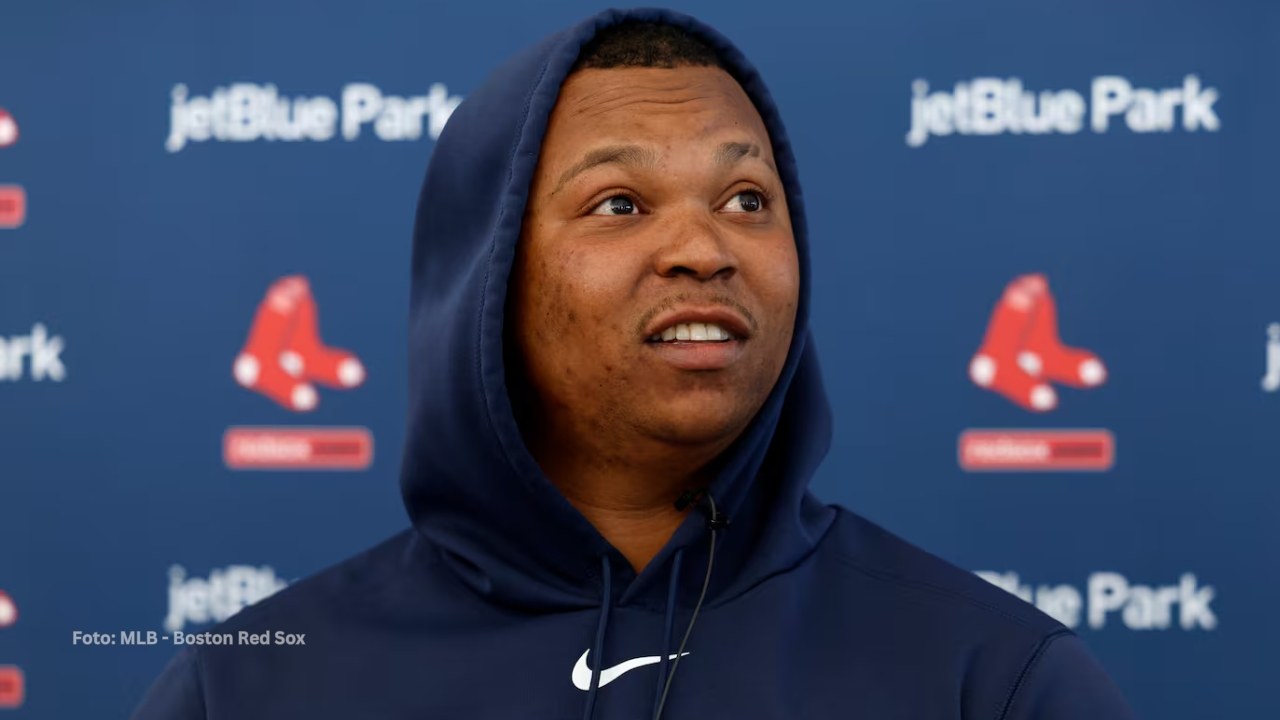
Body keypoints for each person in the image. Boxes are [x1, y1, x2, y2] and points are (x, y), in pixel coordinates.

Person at [133, 8, 1134, 719]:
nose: (706, 248)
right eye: (619, 203)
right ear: (488, 277)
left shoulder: (993, 678)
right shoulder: (249, 688)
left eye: (747, 200)